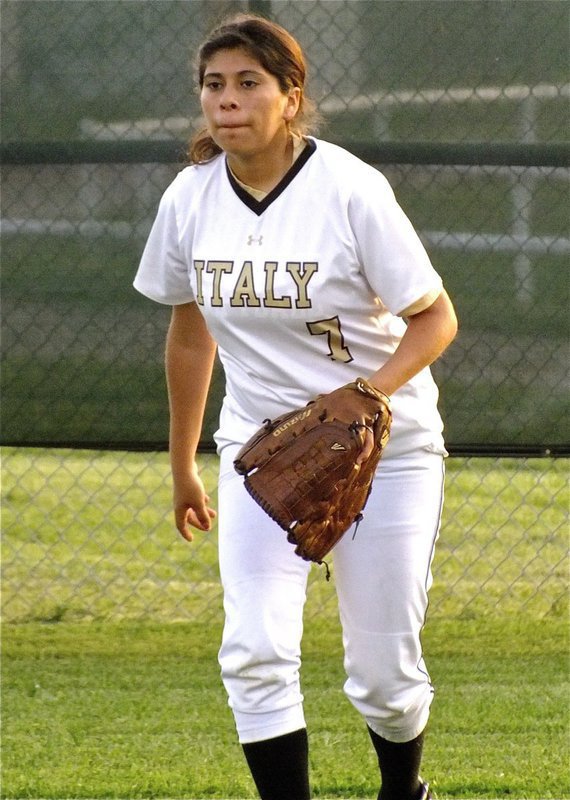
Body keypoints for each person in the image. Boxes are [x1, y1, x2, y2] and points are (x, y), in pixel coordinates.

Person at [134, 13, 458, 800]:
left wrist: (368, 391)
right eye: (214, 84)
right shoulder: (190, 198)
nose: (227, 100)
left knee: (384, 678)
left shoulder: (348, 188)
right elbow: (189, 336)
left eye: (250, 83)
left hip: (388, 450)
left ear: (291, 96)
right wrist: (183, 466)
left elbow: (436, 318)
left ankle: (402, 790)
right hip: (260, 455)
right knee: (253, 652)